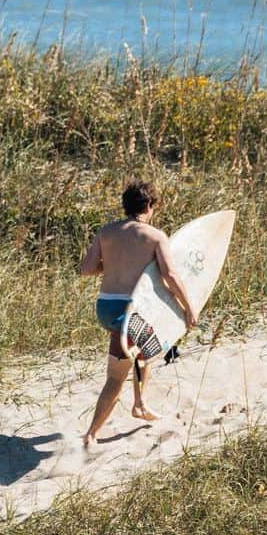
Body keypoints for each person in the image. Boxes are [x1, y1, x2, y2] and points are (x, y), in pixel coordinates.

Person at [79, 181, 198, 445]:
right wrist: (189, 307)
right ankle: (91, 434)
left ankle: (140, 403)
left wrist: (112, 266)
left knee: (147, 349)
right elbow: (170, 275)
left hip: (106, 306)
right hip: (131, 312)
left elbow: (86, 268)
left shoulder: (106, 231)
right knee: (116, 377)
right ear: (149, 206)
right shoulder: (155, 236)